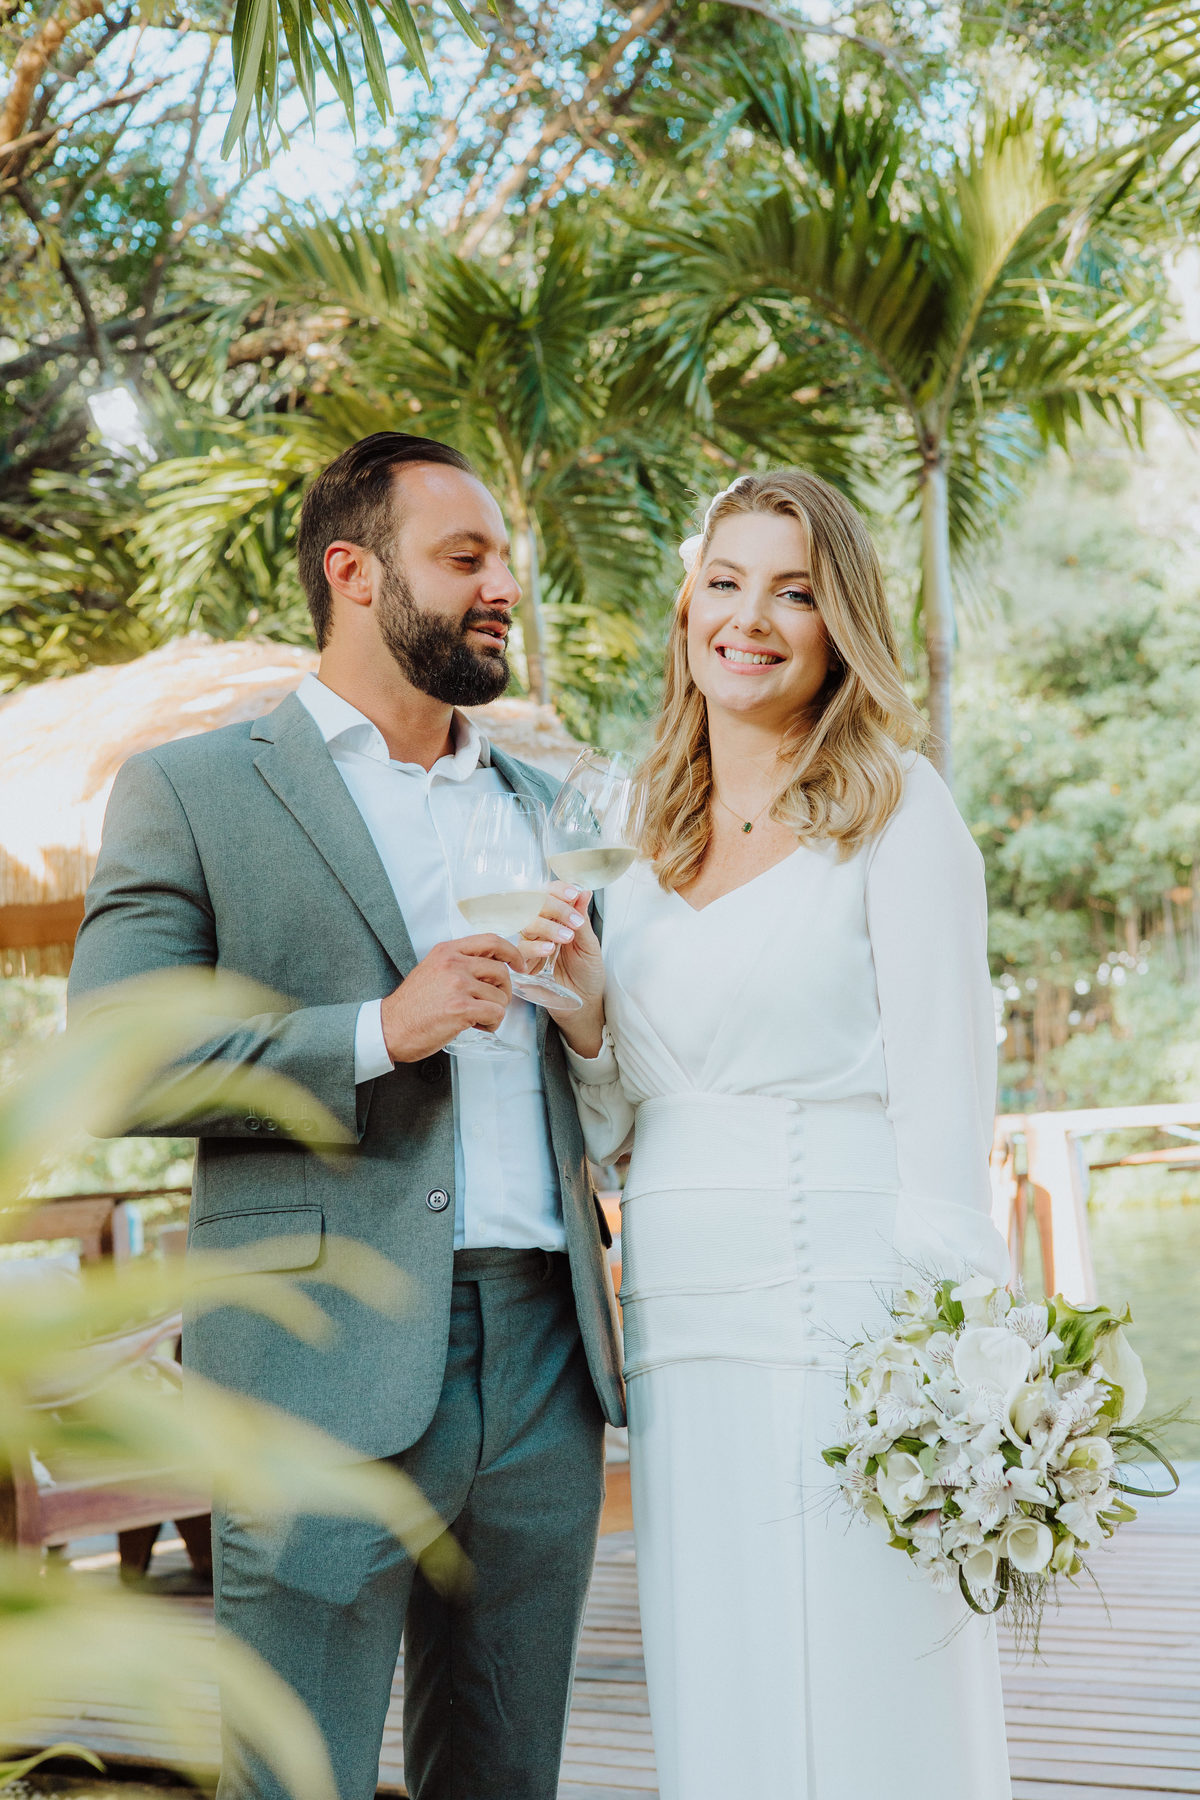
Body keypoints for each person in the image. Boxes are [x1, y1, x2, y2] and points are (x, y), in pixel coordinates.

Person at [67, 432, 624, 1800]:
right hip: (315, 1370)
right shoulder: (194, 793)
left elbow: (611, 1090)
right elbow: (116, 1063)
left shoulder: (552, 808)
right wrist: (382, 1030)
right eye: (467, 556)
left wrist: (598, 1019)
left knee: (505, 1776)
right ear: (354, 573)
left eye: (506, 557)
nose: (506, 582)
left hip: (546, 1356)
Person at [529, 469, 1014, 1799]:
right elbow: (623, 1128)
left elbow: (944, 1101)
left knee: (866, 1680)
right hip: (684, 1321)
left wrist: (957, 1376)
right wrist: (583, 1023)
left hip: (848, 1310)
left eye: (795, 590)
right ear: (689, 607)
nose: (753, 618)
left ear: (838, 620)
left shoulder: (897, 808)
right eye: (728, 583)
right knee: (722, 1673)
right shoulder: (639, 831)